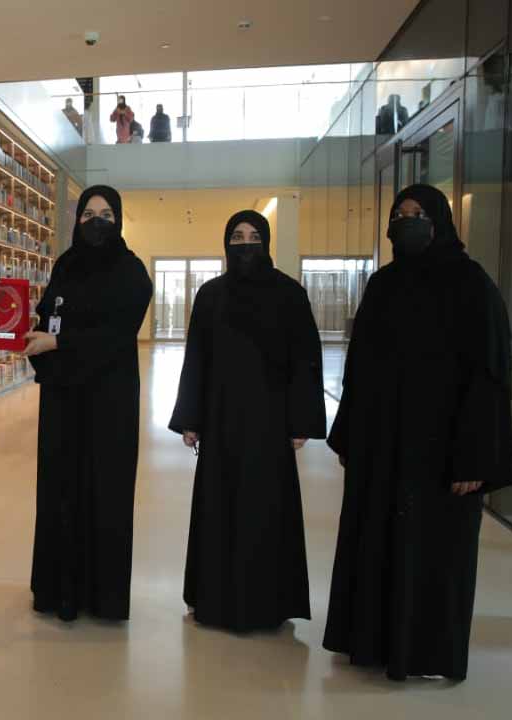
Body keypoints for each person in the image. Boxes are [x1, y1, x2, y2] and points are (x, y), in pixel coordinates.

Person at [324, 184, 512, 681]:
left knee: (432, 553)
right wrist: (349, 435)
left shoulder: (473, 288)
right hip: (381, 446)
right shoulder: (384, 285)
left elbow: (489, 379)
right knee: (376, 541)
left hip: (441, 452)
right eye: (399, 214)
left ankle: (426, 654)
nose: (406, 222)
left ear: (441, 223)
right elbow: (359, 367)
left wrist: (475, 457)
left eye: (418, 214)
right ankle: (369, 643)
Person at [169, 210, 326, 632]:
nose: (245, 244)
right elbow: (197, 358)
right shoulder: (211, 295)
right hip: (220, 421)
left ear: (267, 241)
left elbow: (305, 360)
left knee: (265, 507)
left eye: (254, 236)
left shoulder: (289, 295)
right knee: (219, 505)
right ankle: (214, 599)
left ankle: (266, 603)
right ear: (226, 242)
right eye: (236, 236)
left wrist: (301, 422)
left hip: (270, 423)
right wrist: (191, 418)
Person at [22, 185, 152, 621]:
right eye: (88, 213)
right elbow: (47, 311)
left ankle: (103, 597)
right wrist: (31, 336)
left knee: (104, 491)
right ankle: (58, 591)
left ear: (118, 220)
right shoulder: (65, 264)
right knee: (60, 488)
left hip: (108, 401)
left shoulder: (132, 273)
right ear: (77, 220)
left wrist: (58, 341)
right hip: (63, 398)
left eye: (107, 214)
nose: (97, 221)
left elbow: (116, 334)